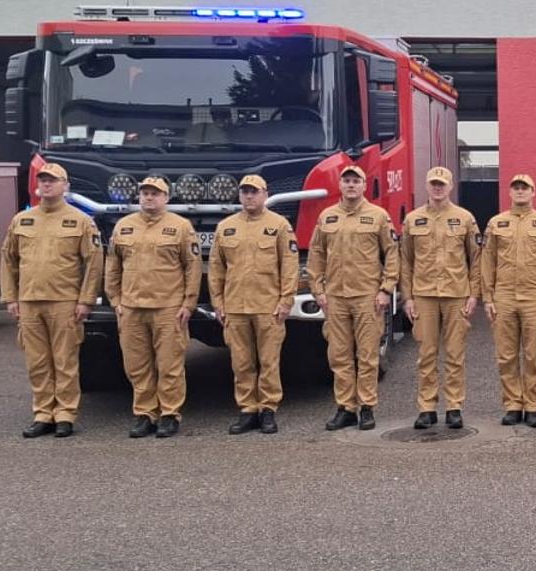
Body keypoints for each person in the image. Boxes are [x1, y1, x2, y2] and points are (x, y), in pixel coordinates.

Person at [0, 163, 101, 439]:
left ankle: (66, 414)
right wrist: (10, 297)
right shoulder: (22, 220)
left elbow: (93, 264)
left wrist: (86, 299)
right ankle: (43, 413)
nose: (47, 185)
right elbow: (8, 261)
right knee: (37, 361)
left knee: (65, 361)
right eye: (43, 180)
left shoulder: (80, 221)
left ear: (65, 186)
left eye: (53, 181)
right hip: (30, 300)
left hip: (64, 301)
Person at [104, 176, 201, 438]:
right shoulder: (123, 227)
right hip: (132, 308)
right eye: (145, 193)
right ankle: (145, 413)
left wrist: (189, 303)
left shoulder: (181, 227)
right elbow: (113, 266)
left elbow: (193, 267)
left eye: (155, 194)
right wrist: (115, 300)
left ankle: (169, 414)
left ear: (166, 198)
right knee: (137, 365)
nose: (149, 197)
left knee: (169, 365)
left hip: (168, 307)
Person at [306, 165, 398, 431]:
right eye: (346, 181)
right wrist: (318, 290)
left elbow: (392, 254)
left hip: (367, 297)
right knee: (339, 356)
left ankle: (367, 407)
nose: (350, 185)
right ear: (341, 185)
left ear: (364, 186)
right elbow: (316, 255)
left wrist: (386, 290)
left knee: (367, 355)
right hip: (335, 297)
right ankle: (346, 407)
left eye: (355, 181)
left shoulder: (378, 216)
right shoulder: (327, 217)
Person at [209, 175, 299, 436]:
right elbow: (216, 270)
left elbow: (290, 267)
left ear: (265, 194)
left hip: (268, 306)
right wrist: (219, 303)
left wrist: (285, 301)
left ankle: (268, 409)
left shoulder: (279, 225)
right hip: (236, 307)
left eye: (255, 192)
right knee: (241, 362)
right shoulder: (226, 227)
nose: (249, 196)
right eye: (245, 192)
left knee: (269, 362)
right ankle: (247, 409)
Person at [402, 166, 482, 430]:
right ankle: (426, 408)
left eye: (442, 184)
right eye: (434, 184)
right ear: (427, 186)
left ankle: (454, 407)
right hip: (424, 295)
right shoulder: (413, 220)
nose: (438, 188)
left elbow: (476, 260)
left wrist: (473, 294)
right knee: (426, 353)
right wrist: (407, 298)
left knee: (455, 354)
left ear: (450, 187)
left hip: (456, 295)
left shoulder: (465, 218)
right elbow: (405, 262)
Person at [482, 174, 536, 428]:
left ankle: (533, 406)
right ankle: (513, 405)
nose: (520, 191)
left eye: (524, 188)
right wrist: (488, 297)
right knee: (505, 355)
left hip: (535, 297)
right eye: (515, 187)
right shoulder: (496, 223)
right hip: (504, 296)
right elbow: (488, 261)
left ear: (533, 192)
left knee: (533, 355)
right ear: (509, 192)